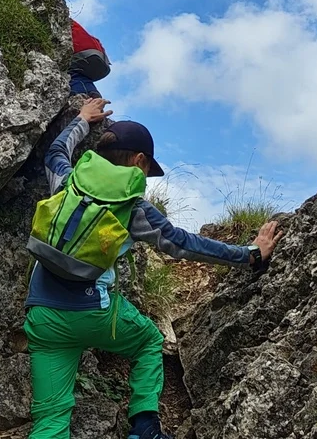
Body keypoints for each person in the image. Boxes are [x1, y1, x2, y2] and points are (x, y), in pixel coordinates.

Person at [24, 97, 283, 439]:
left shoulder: (66, 181)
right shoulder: (134, 208)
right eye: (147, 170)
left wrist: (83, 118)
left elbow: (56, 151)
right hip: (93, 311)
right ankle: (145, 428)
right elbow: (185, 243)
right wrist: (250, 254)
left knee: (50, 418)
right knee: (148, 340)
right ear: (139, 161)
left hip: (43, 315)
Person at [70, 19, 111, 98]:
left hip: (83, 52)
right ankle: (91, 92)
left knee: (70, 72)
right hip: (97, 55)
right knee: (79, 74)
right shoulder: (71, 23)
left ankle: (84, 94)